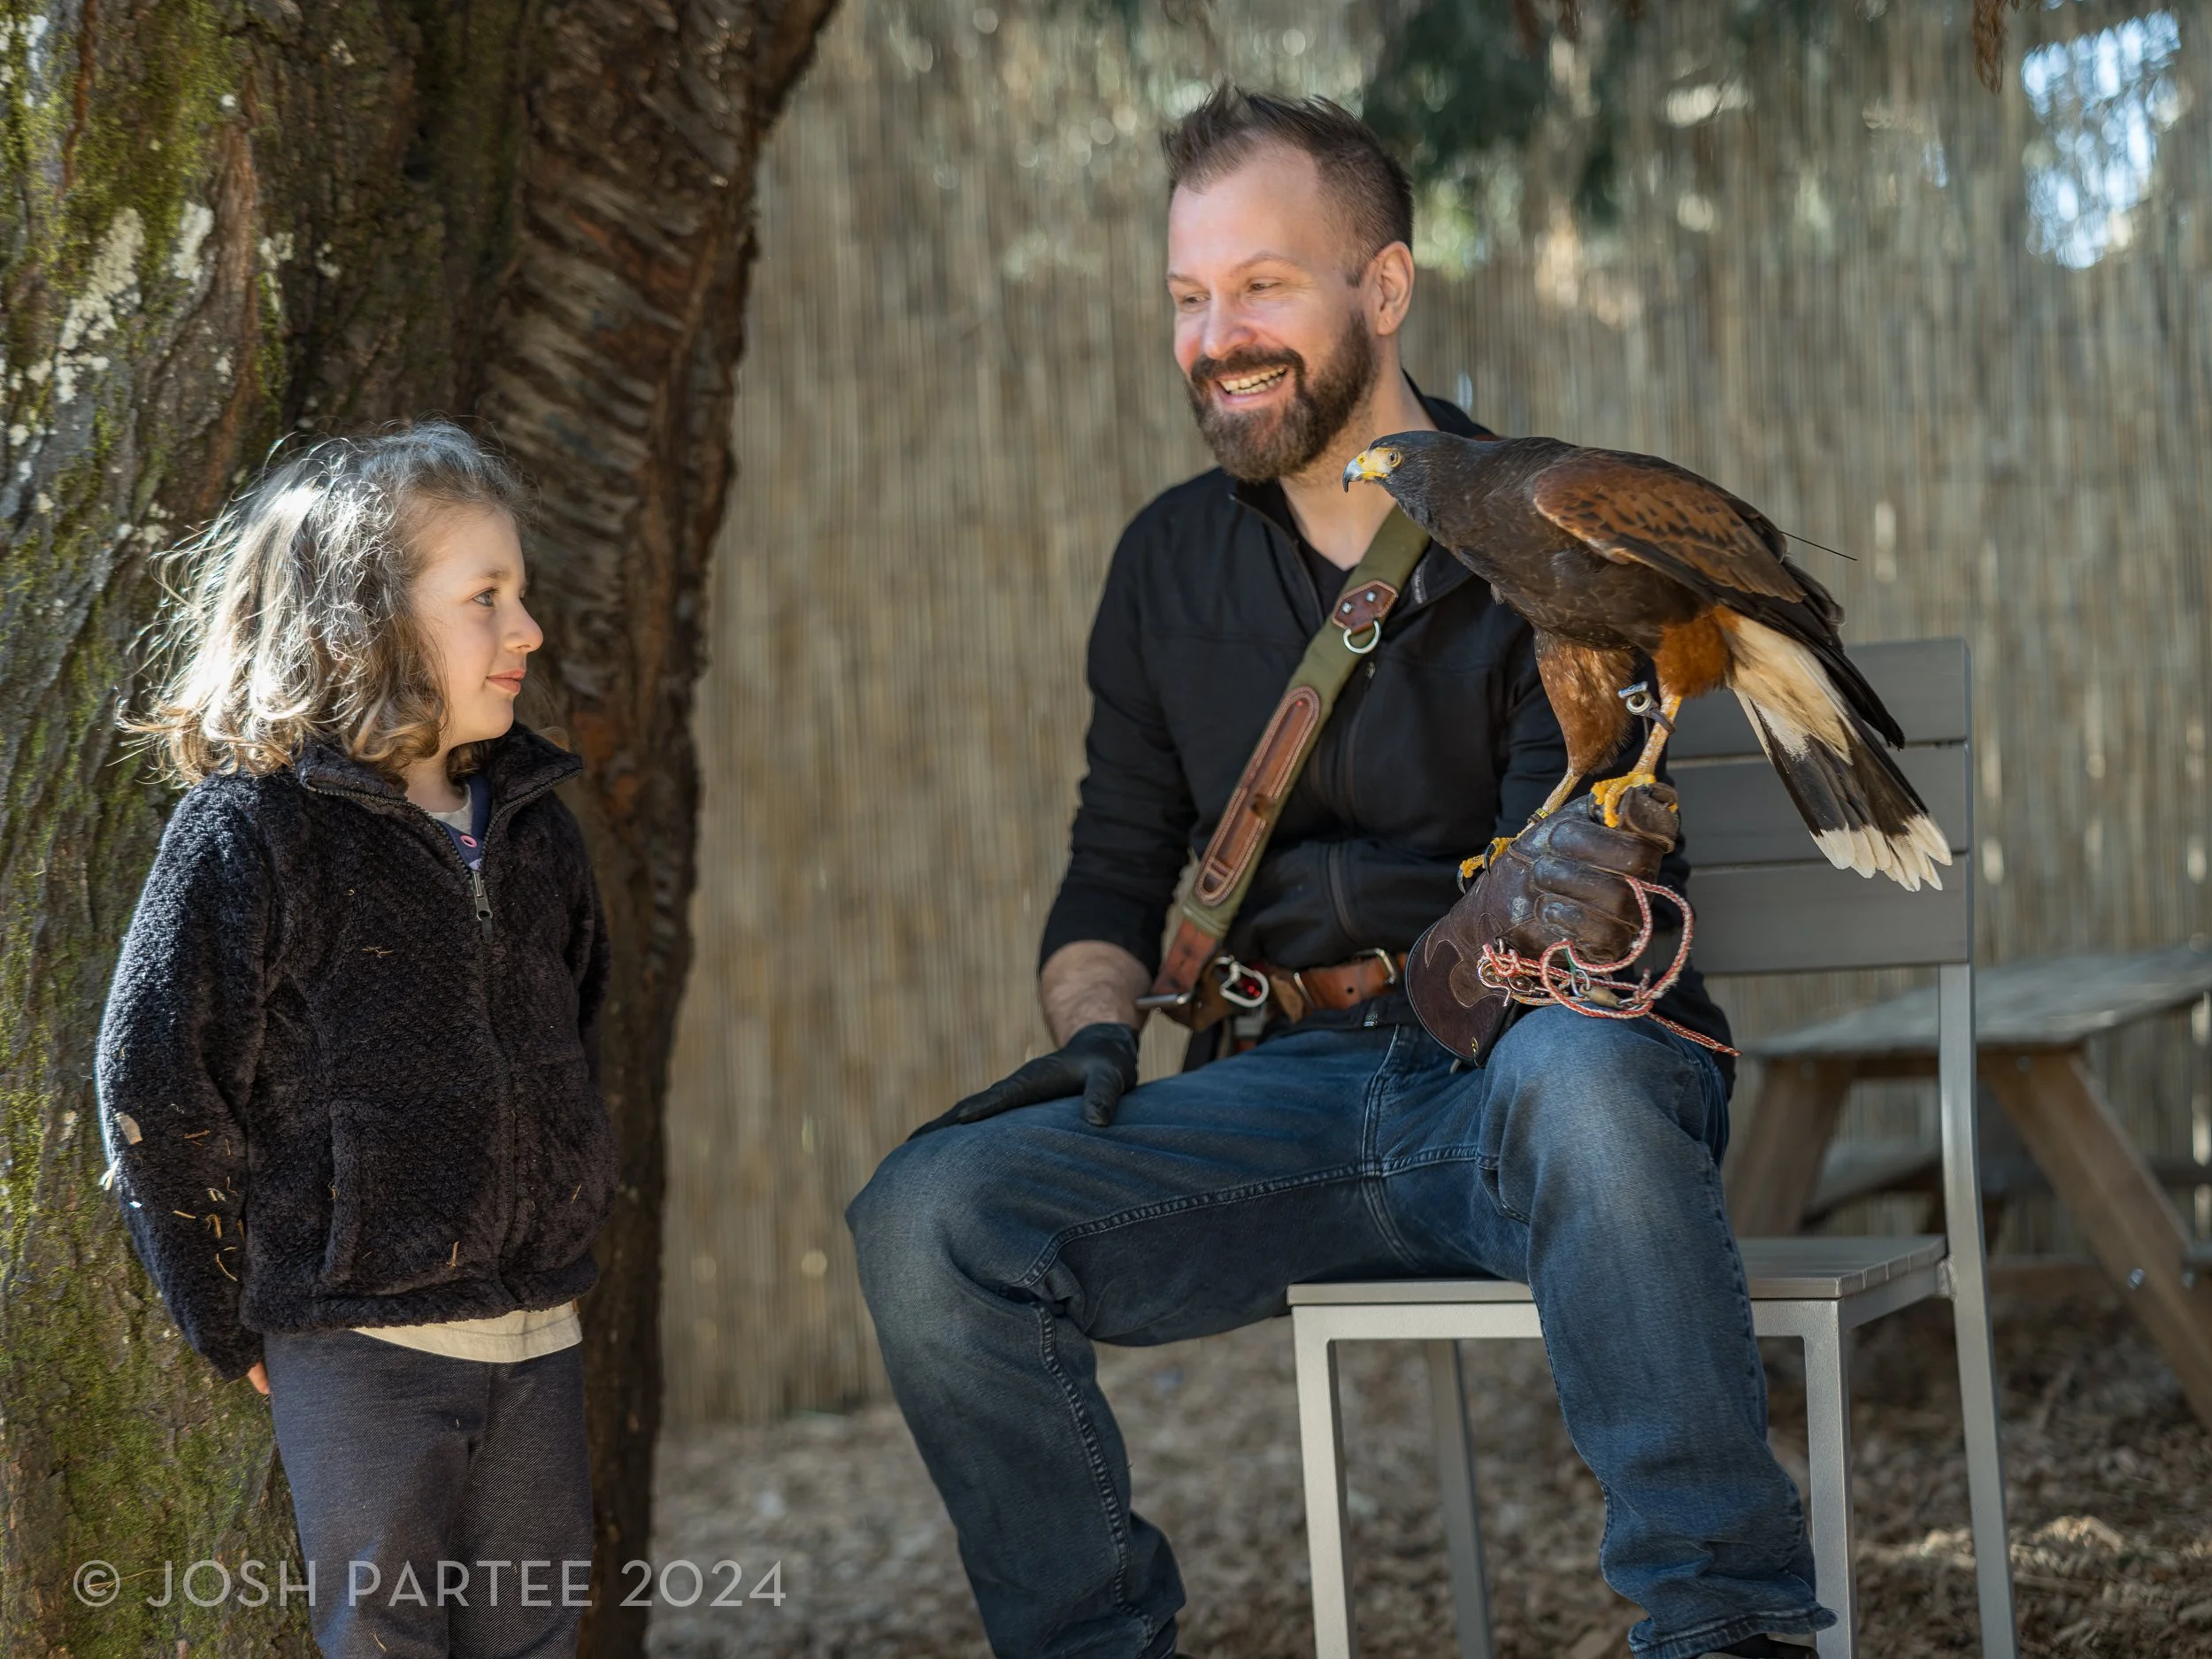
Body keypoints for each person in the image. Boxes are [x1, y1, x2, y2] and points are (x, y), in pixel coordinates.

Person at [846, 88, 1832, 1659]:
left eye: (1262, 285)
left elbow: (1568, 861)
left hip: (1531, 1070)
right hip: (1285, 1102)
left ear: (1384, 287)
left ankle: (1728, 1626)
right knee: (929, 1217)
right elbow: (1111, 874)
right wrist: (1097, 1026)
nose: (1215, 333)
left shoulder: (1546, 525)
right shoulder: (1164, 564)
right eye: (1187, 295)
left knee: (1584, 1081)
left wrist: (1555, 901)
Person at [96, 422, 617, 1658]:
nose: (526, 628)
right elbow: (154, 1081)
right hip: (357, 1343)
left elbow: (575, 1027)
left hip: (539, 1328)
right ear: (358, 621)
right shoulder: (252, 831)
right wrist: (229, 1316)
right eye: (485, 596)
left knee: (539, 1631)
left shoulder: (533, 823)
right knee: (383, 1633)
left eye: (521, 593)